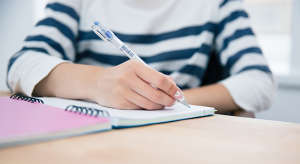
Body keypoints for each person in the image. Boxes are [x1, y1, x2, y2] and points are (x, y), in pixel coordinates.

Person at [7, 0, 276, 113]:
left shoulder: (217, 4)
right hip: (89, 142)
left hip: (180, 139)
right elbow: (20, 65)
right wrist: (96, 82)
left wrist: (166, 103)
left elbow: (259, 82)